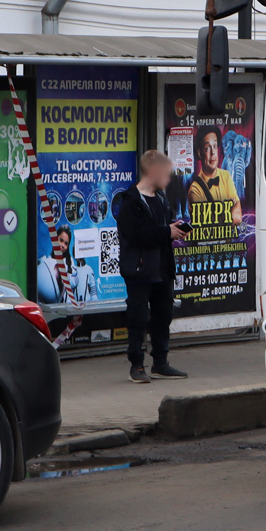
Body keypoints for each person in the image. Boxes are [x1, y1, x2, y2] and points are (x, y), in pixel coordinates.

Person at [116, 150, 188, 383]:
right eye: (165, 174)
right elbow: (137, 236)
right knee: (138, 317)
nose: (168, 179)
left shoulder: (162, 199)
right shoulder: (130, 202)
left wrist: (174, 227)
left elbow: (161, 228)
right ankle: (137, 365)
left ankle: (160, 362)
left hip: (162, 269)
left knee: (163, 315)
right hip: (139, 271)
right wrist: (167, 231)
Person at [188, 128, 242, 227]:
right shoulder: (195, 189)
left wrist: (222, 216)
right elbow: (207, 225)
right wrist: (229, 210)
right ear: (200, 153)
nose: (213, 152)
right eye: (207, 148)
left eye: (215, 146)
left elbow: (238, 217)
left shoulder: (226, 176)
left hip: (229, 242)